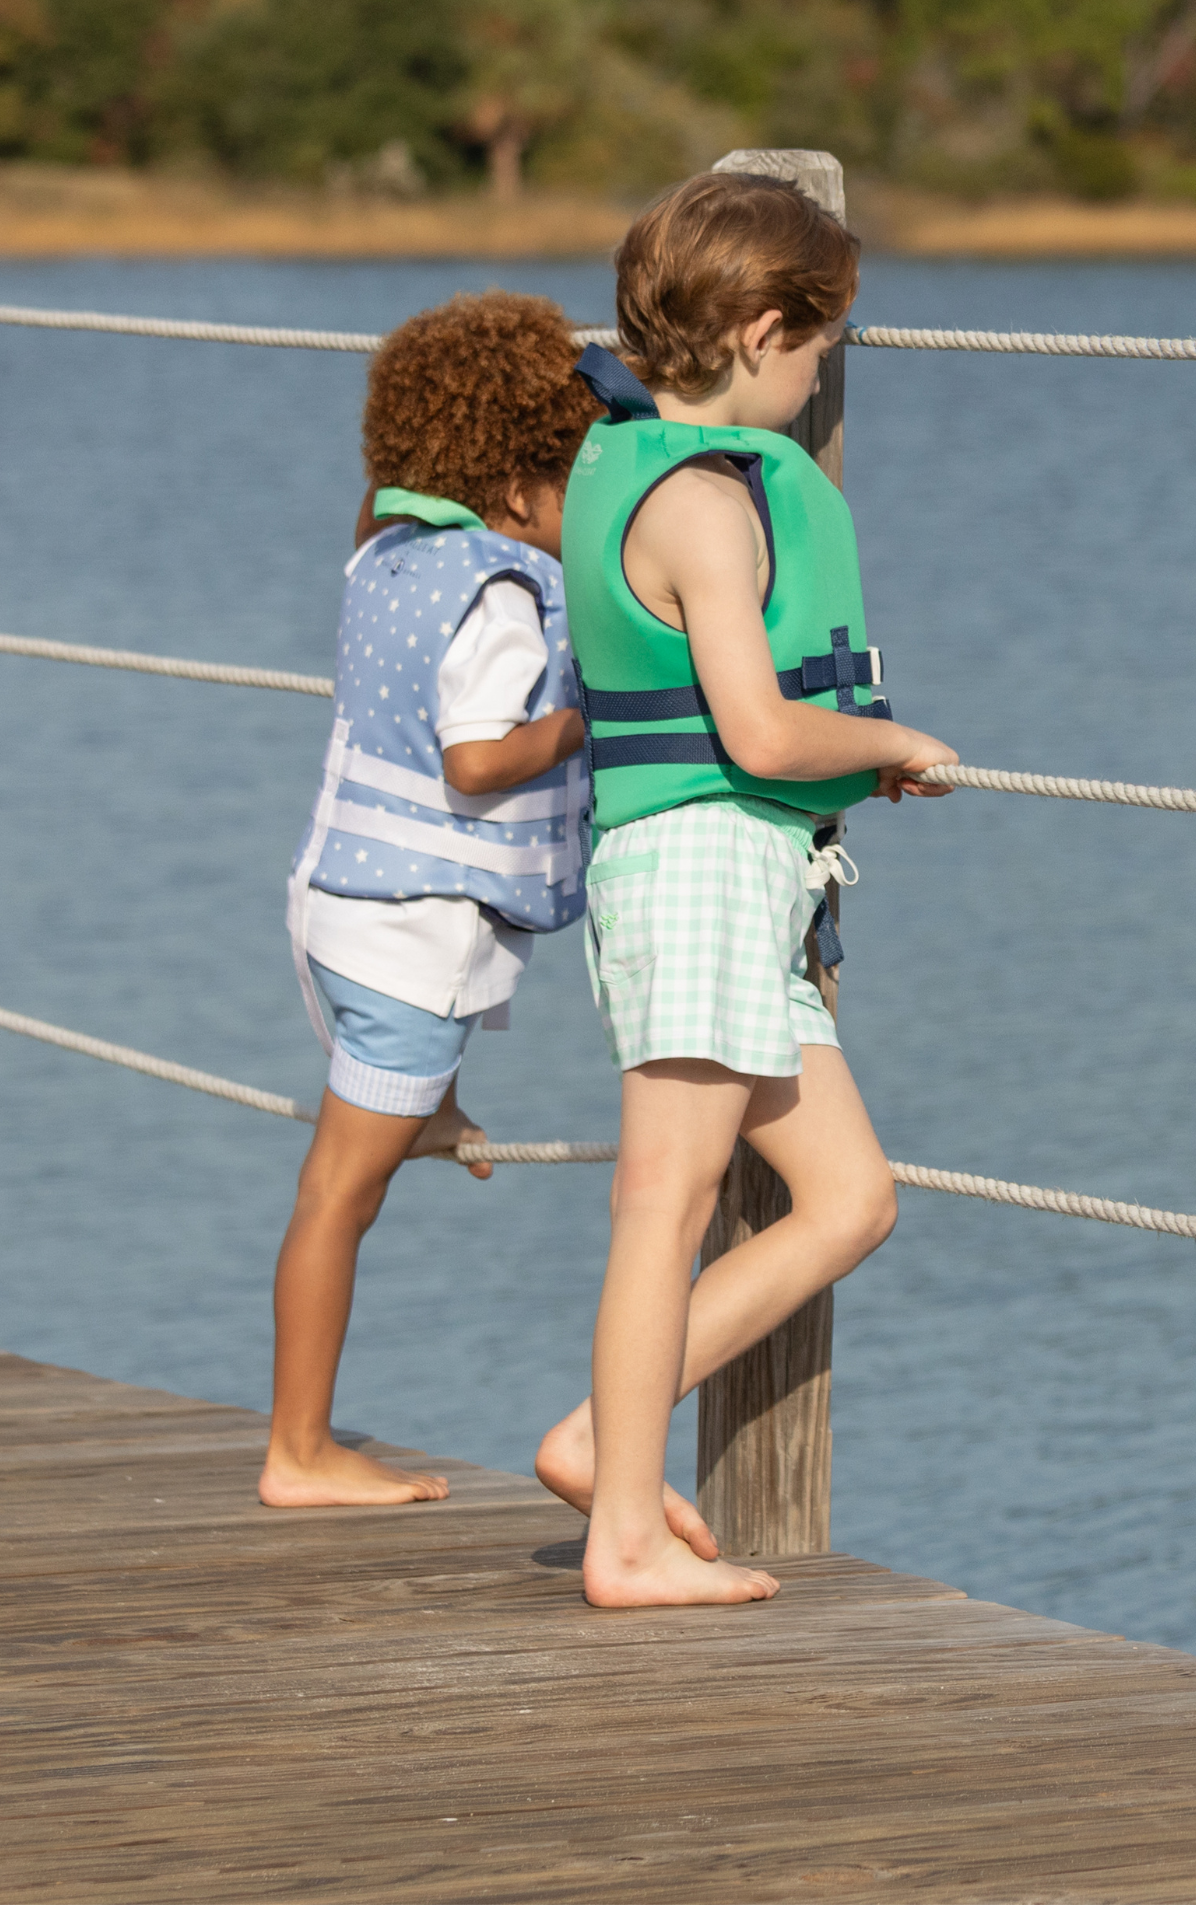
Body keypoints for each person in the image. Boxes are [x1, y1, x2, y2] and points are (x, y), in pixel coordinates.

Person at [533, 172, 959, 1606]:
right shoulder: (706, 507)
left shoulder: (611, 461)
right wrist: (892, 743)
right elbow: (766, 733)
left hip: (748, 869)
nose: (822, 368)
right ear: (766, 328)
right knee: (665, 1197)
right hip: (706, 857)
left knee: (849, 1195)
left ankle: (607, 1438)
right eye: (822, 341)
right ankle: (627, 1542)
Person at [261, 292, 599, 1509]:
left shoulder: (385, 550)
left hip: (333, 904)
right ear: (515, 489)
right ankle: (298, 1450)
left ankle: (435, 1110)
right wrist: (584, 716)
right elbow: (475, 760)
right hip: (411, 928)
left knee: (369, 1128)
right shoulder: (501, 592)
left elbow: (383, 490)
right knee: (336, 1196)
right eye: (573, 480)